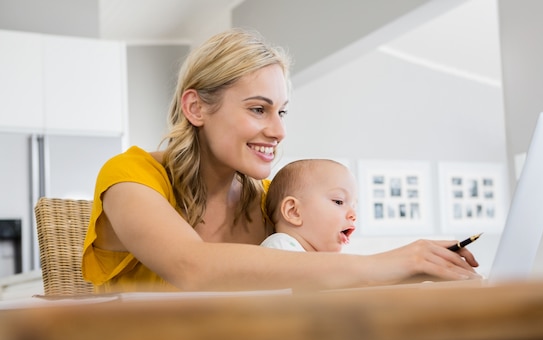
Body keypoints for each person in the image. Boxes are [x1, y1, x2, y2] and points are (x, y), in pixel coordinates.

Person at [81, 27, 480, 294]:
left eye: (282, 112)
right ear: (196, 108)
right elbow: (193, 268)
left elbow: (323, 277)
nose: (278, 131)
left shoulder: (274, 202)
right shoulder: (131, 178)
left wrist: (420, 267)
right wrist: (397, 261)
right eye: (258, 109)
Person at [261, 159, 357, 252]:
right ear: (294, 211)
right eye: (338, 201)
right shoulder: (279, 246)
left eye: (354, 206)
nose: (353, 215)